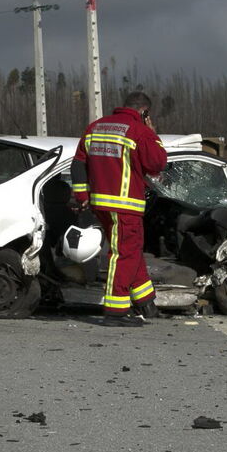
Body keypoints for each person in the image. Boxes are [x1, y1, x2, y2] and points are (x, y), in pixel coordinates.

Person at [71, 91, 168, 326]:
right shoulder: (139, 131)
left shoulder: (95, 127)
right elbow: (158, 163)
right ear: (144, 112)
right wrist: (153, 133)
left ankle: (146, 302)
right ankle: (115, 311)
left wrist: (83, 195)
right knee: (123, 254)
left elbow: (78, 164)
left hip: (101, 204)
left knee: (132, 251)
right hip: (125, 205)